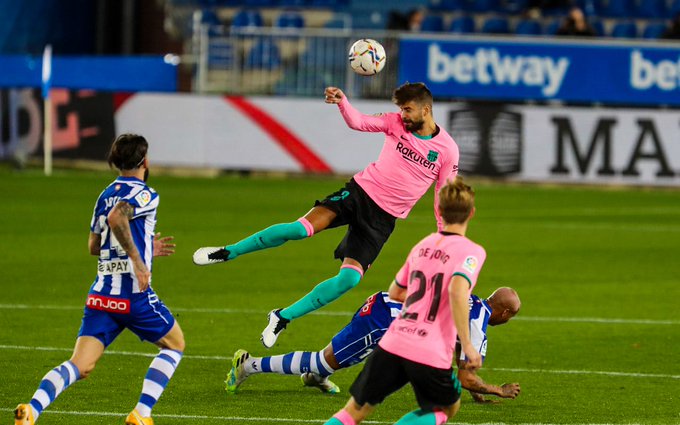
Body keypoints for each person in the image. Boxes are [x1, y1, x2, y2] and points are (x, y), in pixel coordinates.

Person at [194, 82, 460, 350]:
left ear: (426, 110)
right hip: (359, 195)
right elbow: (359, 122)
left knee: (349, 280)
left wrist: (444, 234)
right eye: (401, 109)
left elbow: (443, 194)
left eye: (408, 109)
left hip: (382, 219)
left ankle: (282, 317)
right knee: (300, 230)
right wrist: (343, 102)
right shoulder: (394, 123)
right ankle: (228, 252)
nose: (403, 114)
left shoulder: (447, 150)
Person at [14, 134, 185, 425]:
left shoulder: (105, 195)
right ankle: (142, 414)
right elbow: (118, 220)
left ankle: (32, 409)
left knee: (80, 365)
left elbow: (95, 246)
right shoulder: (145, 194)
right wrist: (138, 259)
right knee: (174, 345)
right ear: (145, 161)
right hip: (133, 295)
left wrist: (146, 246)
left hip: (101, 296)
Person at [324, 176, 484, 425]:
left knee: (355, 410)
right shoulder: (471, 251)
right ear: (471, 213)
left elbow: (396, 292)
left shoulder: (423, 246)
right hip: (429, 349)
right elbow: (457, 290)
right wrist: (468, 345)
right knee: (447, 407)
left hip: (394, 341)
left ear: (439, 210)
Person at [224, 285, 521, 403]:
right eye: (511, 317)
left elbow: (456, 355)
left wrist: (474, 392)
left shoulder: (469, 298)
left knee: (341, 359)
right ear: (505, 313)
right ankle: (248, 365)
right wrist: (497, 389)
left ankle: (316, 379)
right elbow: (465, 374)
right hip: (383, 321)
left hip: (385, 306)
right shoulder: (477, 322)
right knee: (323, 359)